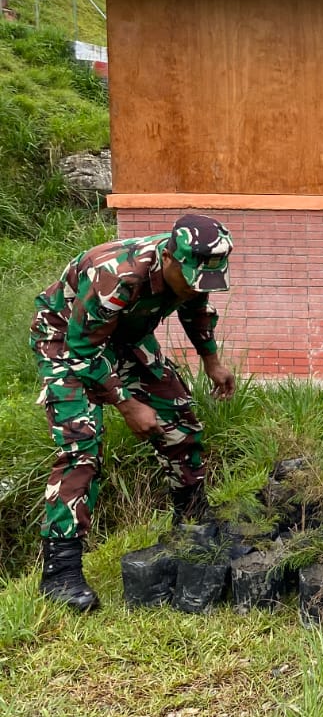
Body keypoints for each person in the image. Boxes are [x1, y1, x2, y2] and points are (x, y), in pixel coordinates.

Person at [31, 214, 237, 610]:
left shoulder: (194, 268)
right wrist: (127, 404)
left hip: (125, 336)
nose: (197, 286)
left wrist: (211, 360)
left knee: (180, 421)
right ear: (169, 259)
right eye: (190, 279)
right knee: (81, 447)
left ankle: (192, 523)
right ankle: (60, 573)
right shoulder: (117, 275)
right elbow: (82, 350)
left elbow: (195, 308)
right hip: (66, 342)